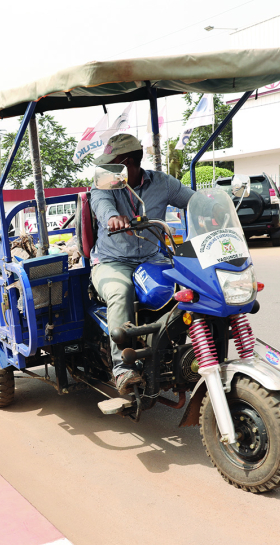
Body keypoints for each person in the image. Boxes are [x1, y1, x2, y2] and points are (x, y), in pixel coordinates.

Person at [89, 134, 195, 394]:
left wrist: (214, 208)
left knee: (191, 285)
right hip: (113, 261)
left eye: (112, 163)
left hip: (152, 258)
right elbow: (101, 205)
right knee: (119, 291)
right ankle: (122, 370)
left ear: (126, 163)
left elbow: (193, 201)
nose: (107, 168)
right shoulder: (104, 184)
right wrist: (113, 217)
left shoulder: (163, 183)